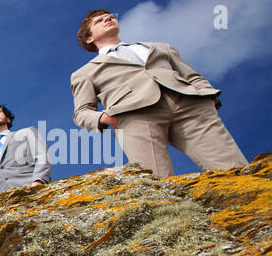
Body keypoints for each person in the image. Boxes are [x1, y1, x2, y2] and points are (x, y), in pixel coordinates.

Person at [70, 9, 247, 178]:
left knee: (232, 166)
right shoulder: (84, 73)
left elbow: (192, 76)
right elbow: (81, 113)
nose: (108, 19)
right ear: (89, 38)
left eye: (110, 16)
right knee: (156, 181)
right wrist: (107, 118)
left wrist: (207, 99)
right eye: (99, 20)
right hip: (135, 117)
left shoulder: (161, 48)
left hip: (190, 107)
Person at [0, 103, 50, 198]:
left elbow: (43, 158)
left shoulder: (27, 133)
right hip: (5, 207)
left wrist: (38, 182)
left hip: (35, 195)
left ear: (8, 119)